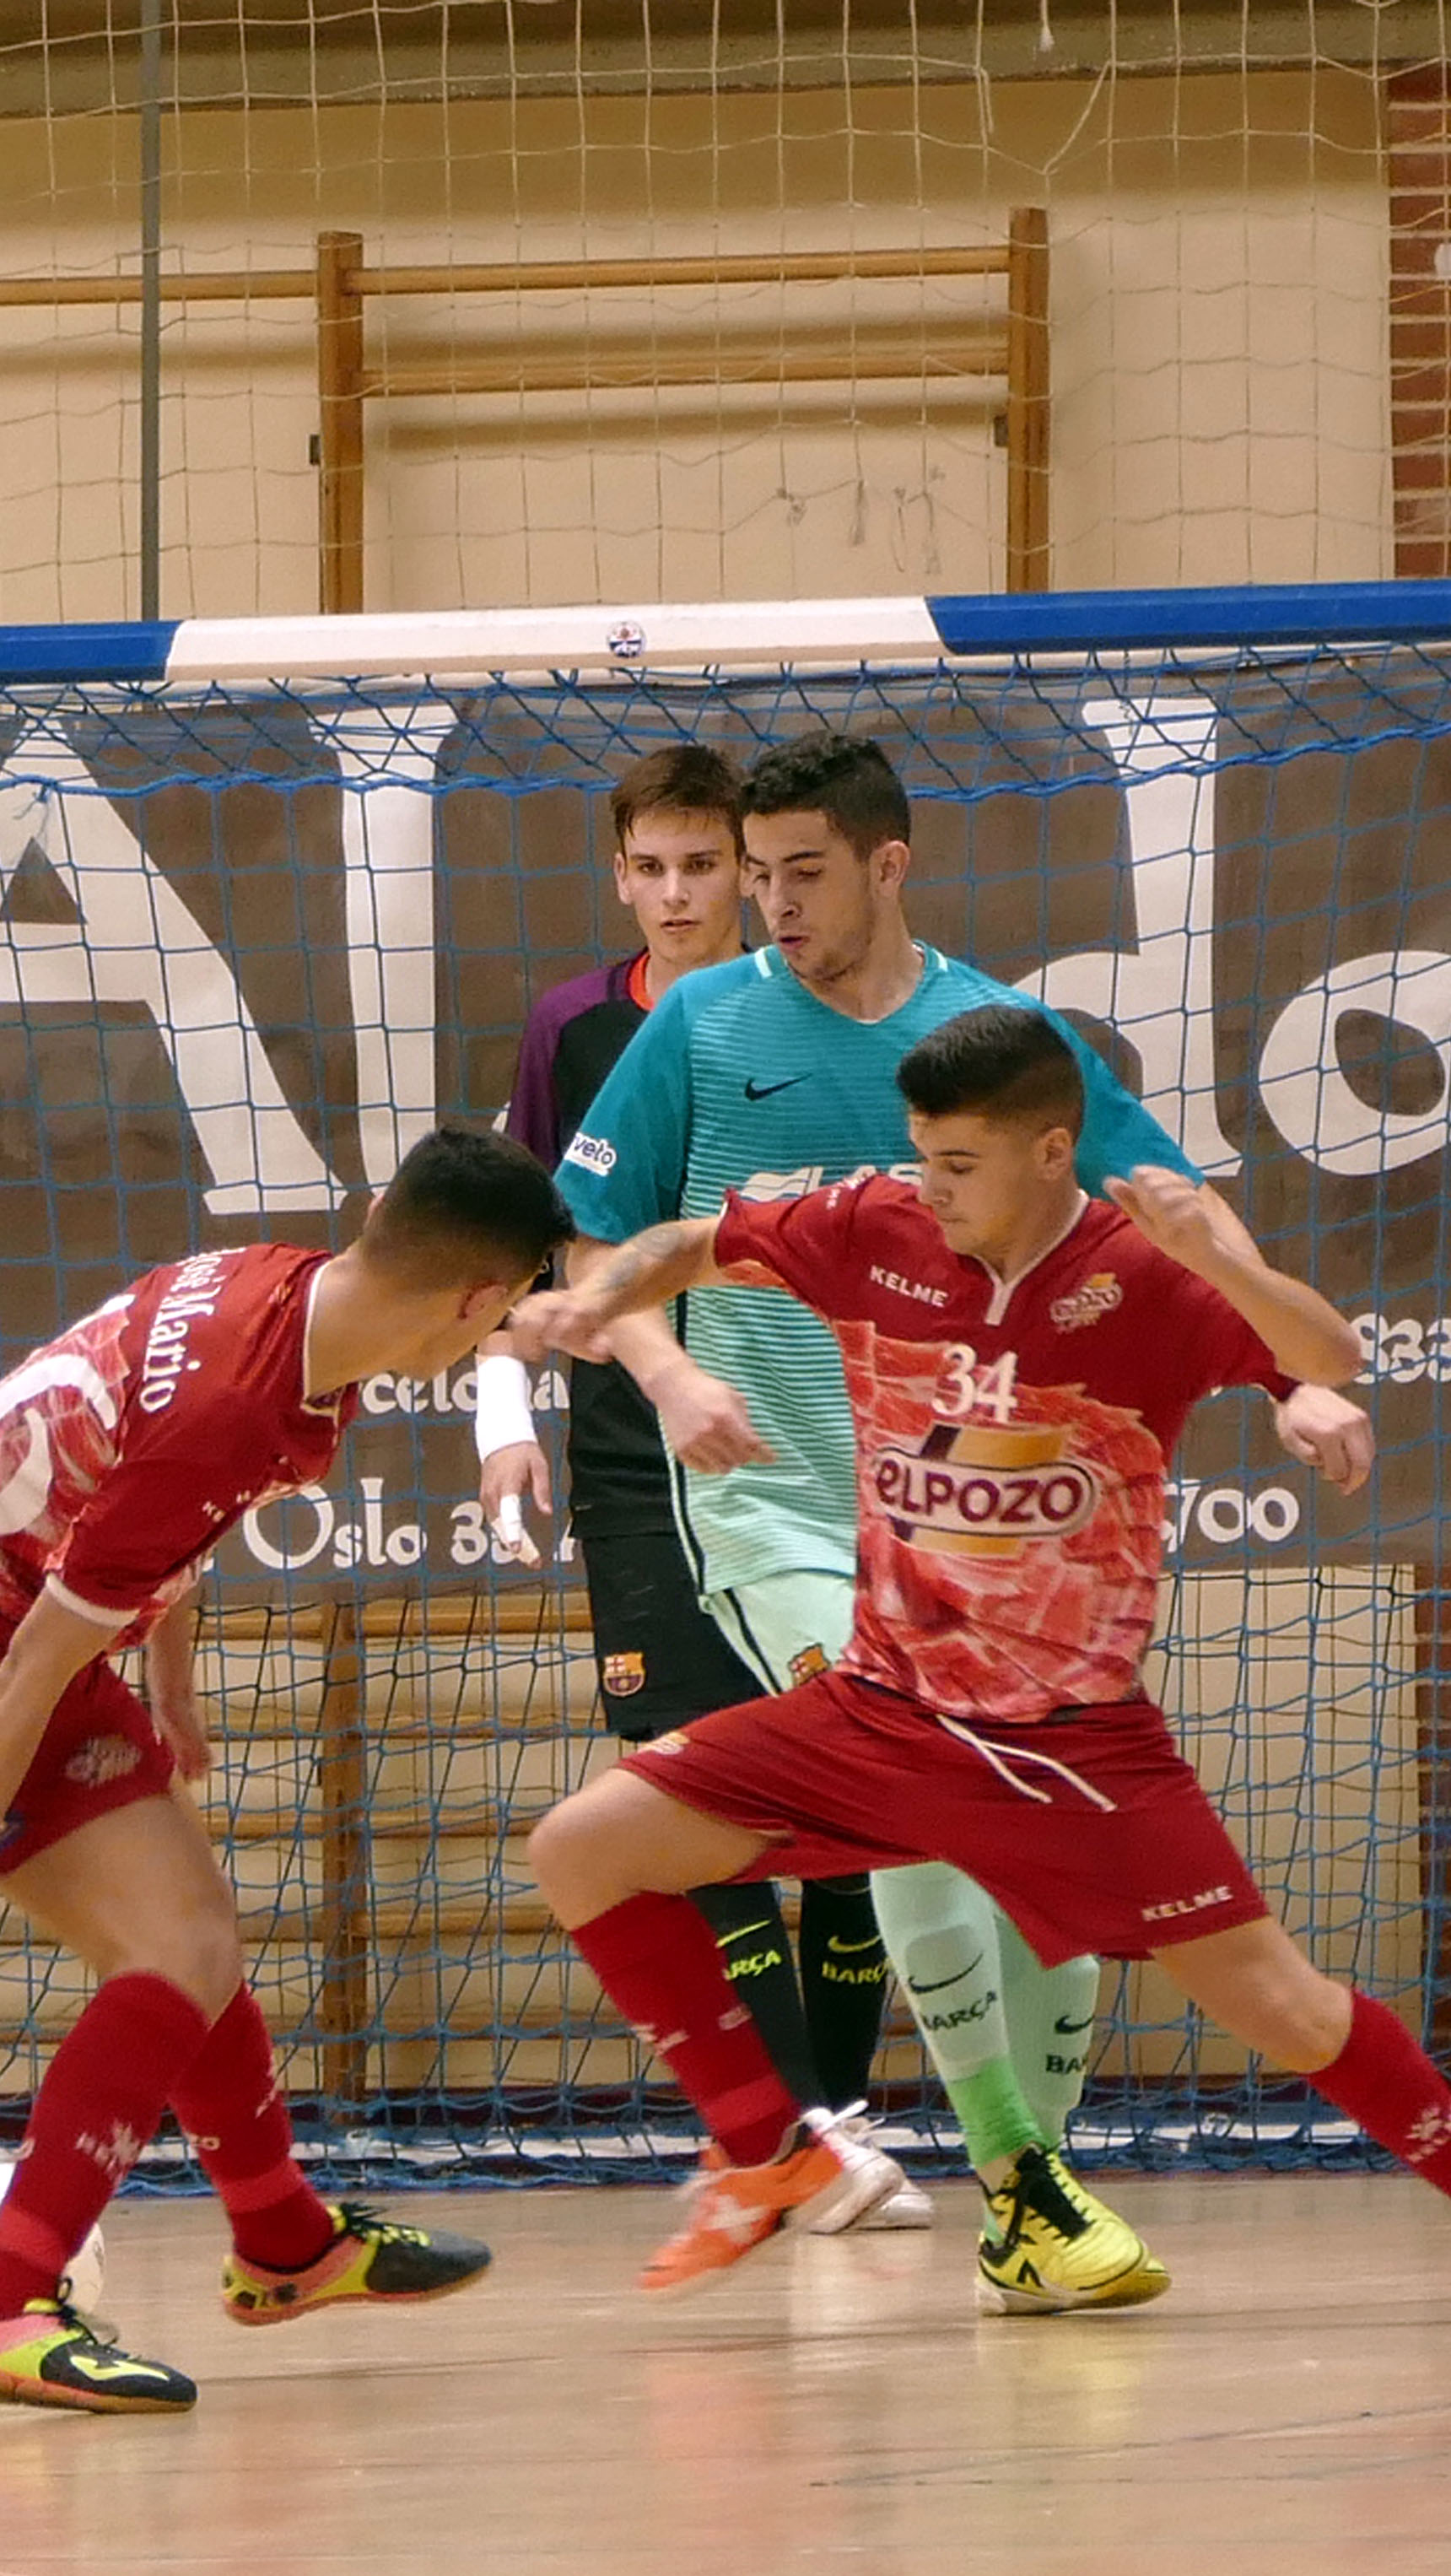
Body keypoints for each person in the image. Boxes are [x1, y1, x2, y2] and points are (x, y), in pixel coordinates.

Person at [516, 1002, 1451, 2314]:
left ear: (1053, 1150)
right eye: (924, 1156)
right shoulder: (876, 1226)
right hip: (879, 1713)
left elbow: (1327, 1352)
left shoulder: (1147, 1280)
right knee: (581, 1848)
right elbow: (692, 1241)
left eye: (961, 1164)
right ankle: (769, 2151)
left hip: (1070, 1751)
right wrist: (602, 1297)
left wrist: (1222, 1267)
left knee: (1286, 2010)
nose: (933, 1187)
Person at [552, 731, 1360, 2315]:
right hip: (777, 1503)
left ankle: (1032, 2195)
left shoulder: (994, 1037)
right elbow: (602, 1239)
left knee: (1029, 1843)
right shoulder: (701, 1022)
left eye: (801, 873)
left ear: (888, 865)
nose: (771, 905)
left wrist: (1290, 1382)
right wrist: (664, 1373)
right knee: (916, 1799)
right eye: (754, 876)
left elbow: (1172, 1217)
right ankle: (1015, 2176)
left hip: (984, 1528)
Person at [0, 1130, 572, 2416]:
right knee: (173, 1955)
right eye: (503, 1317)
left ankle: (285, 2243)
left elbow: (150, 1510)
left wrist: (168, 1679)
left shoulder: (279, 1289)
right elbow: (31, 1665)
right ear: (475, 1302)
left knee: (199, 1938)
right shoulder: (239, 1411)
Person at [474, 744, 908, 2217]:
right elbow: (528, 1236)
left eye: (704, 866)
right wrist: (501, 1410)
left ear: (753, 871)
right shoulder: (576, 1027)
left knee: (849, 1796)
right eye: (649, 870)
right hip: (632, 1454)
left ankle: (844, 2121)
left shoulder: (832, 1012)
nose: (677, 896)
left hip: (810, 1451)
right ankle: (793, 2139)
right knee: (687, 1788)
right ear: (617, 878)